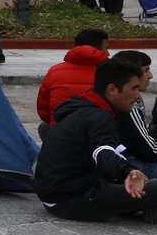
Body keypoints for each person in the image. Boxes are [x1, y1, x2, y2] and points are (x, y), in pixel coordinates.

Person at [34, 59, 157, 222]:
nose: (138, 95)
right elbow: (102, 151)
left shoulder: (83, 107)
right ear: (112, 89)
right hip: (74, 199)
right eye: (133, 88)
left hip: (55, 195)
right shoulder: (100, 116)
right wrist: (128, 171)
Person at [37, 29, 109, 128]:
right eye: (106, 48)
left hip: (61, 133)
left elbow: (43, 110)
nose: (108, 53)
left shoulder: (54, 71)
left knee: (44, 127)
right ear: (96, 49)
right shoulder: (111, 71)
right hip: (99, 132)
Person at [109, 50, 157, 177]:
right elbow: (148, 151)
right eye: (146, 70)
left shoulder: (120, 95)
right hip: (128, 166)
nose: (151, 76)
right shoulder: (127, 103)